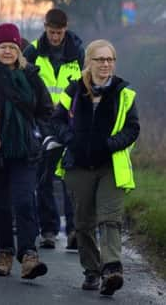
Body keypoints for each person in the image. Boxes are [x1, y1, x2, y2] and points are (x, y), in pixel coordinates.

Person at [51, 39, 139, 296]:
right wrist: (71, 140)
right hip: (78, 165)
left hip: (111, 165)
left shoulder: (124, 93)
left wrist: (110, 145)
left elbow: (133, 128)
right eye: (100, 59)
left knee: (110, 218)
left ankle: (112, 270)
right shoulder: (74, 91)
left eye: (110, 59)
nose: (105, 64)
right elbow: (56, 120)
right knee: (83, 222)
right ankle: (91, 270)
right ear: (88, 62)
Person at [0, 23, 53, 279]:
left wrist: (38, 134)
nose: (7, 51)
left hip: (25, 152)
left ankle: (29, 254)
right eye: (2, 47)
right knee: (0, 206)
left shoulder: (32, 77)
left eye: (12, 46)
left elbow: (46, 110)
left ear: (19, 49)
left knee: (23, 201)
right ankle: (5, 253)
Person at [23, 8, 84, 250]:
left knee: (70, 178)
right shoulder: (34, 52)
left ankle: (73, 230)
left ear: (65, 29)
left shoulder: (79, 53)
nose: (55, 37)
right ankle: (48, 230)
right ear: (45, 27)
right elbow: (23, 82)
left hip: (71, 125)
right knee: (44, 177)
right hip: (42, 123)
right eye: (51, 32)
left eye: (59, 33)